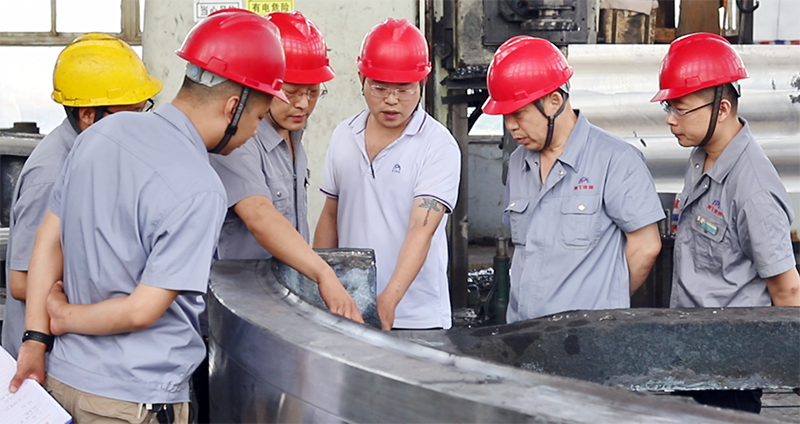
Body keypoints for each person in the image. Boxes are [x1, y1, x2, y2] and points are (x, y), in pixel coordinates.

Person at [9, 9, 287, 424]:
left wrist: (35, 339)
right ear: (233, 107)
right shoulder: (201, 188)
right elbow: (141, 310)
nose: (254, 134)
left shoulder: (101, 134)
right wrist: (64, 317)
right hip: (131, 401)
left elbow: (48, 239)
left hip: (62, 380)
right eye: (259, 119)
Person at [653, 32, 800, 413]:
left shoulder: (753, 188)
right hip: (692, 353)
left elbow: (786, 289)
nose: (670, 119)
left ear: (721, 109)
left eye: (680, 108)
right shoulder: (702, 156)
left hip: (730, 369)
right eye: (669, 106)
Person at [2, 33, 162, 359]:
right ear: (88, 114)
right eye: (129, 113)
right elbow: (21, 282)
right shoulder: (51, 176)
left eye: (142, 109)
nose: (139, 124)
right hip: (43, 359)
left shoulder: (97, 154)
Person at [481, 36, 664, 323]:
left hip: (589, 336)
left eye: (518, 113)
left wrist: (605, 304)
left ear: (554, 101)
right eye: (505, 116)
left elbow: (646, 246)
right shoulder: (518, 162)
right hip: (523, 331)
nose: (511, 126)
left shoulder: (615, 159)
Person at [209, 11, 362, 323]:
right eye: (290, 93)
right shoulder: (238, 141)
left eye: (313, 92)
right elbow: (259, 216)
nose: (303, 104)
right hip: (242, 309)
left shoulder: (293, 137)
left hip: (284, 303)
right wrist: (323, 274)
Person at [314, 18, 461, 330]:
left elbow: (421, 228)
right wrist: (318, 288)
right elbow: (330, 215)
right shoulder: (344, 135)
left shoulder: (438, 145)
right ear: (361, 79)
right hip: (349, 308)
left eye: (404, 89)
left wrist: (389, 299)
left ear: (422, 83)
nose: (392, 100)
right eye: (379, 88)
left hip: (417, 317)